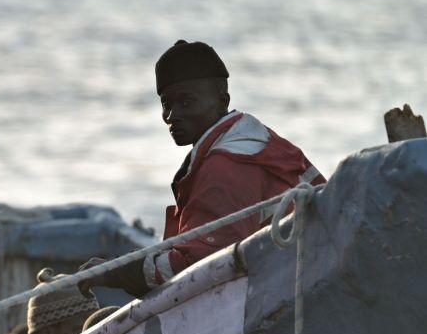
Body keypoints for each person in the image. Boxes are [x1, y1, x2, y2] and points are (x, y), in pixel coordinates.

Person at [80, 40, 326, 297]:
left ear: (222, 99)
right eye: (166, 104)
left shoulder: (225, 166)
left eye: (186, 102)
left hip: (294, 292)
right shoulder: (257, 141)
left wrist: (115, 272)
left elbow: (200, 265)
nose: (172, 115)